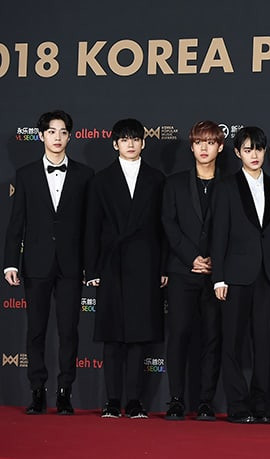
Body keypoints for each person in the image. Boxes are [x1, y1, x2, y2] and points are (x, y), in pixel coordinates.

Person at [3, 110, 93, 415]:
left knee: (69, 331)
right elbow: (16, 223)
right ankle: (37, 391)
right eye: (51, 132)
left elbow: (90, 226)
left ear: (70, 136)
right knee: (36, 330)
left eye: (63, 132)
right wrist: (11, 263)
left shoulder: (85, 175)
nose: (57, 137)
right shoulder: (26, 174)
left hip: (71, 264)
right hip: (36, 263)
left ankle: (65, 391)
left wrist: (91, 266)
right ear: (41, 135)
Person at [84, 118, 167, 419]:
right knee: (112, 335)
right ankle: (111, 400)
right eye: (124, 139)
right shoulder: (100, 180)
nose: (130, 144)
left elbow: (164, 228)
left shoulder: (157, 179)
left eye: (135, 138)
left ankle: (134, 401)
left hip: (146, 263)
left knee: (138, 335)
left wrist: (163, 266)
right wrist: (92, 269)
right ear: (114, 143)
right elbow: (92, 228)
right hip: (111, 263)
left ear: (144, 142)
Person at [211, 126, 270, 424]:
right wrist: (218, 278)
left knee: (264, 344)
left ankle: (261, 404)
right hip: (234, 277)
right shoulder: (226, 187)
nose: (254, 155)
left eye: (259, 149)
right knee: (231, 343)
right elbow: (219, 235)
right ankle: (238, 405)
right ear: (237, 152)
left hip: (268, 277)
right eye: (248, 149)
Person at [161, 121, 224, 421]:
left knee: (212, 337)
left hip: (217, 275)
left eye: (210, 142)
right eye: (199, 142)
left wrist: (214, 260)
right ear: (191, 146)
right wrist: (192, 257)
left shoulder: (231, 184)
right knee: (179, 335)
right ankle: (175, 399)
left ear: (220, 147)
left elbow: (233, 227)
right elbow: (169, 224)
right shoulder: (174, 183)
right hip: (182, 271)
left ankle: (205, 401)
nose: (204, 148)